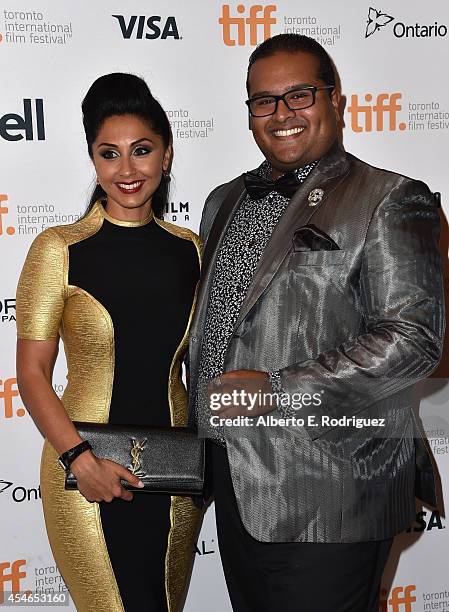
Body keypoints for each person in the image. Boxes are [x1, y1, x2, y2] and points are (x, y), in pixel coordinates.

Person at [189, 34, 444, 611]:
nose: (281, 114)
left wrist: (278, 391)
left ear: (335, 100)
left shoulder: (390, 198)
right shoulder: (221, 201)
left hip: (333, 486)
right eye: (264, 101)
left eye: (299, 95)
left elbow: (414, 340)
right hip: (233, 475)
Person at [16, 73, 201, 612]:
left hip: (173, 472)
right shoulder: (59, 249)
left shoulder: (191, 249)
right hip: (83, 473)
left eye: (141, 151)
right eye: (109, 154)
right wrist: (80, 459)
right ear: (93, 161)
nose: (127, 170)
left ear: (165, 155)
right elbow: (31, 375)